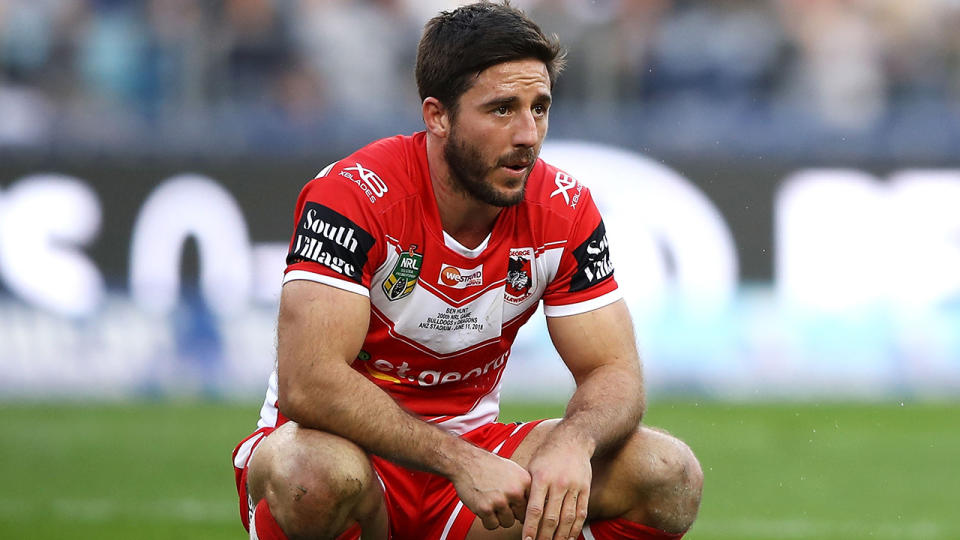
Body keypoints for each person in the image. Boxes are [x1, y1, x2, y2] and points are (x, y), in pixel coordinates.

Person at [231, 2, 703, 539]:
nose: (528, 134)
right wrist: (459, 460)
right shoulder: (352, 197)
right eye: (502, 109)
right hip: (343, 452)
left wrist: (574, 443)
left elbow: (613, 372)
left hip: (471, 465)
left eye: (540, 108)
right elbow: (307, 383)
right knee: (309, 477)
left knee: (668, 474)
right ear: (437, 115)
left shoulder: (564, 208)